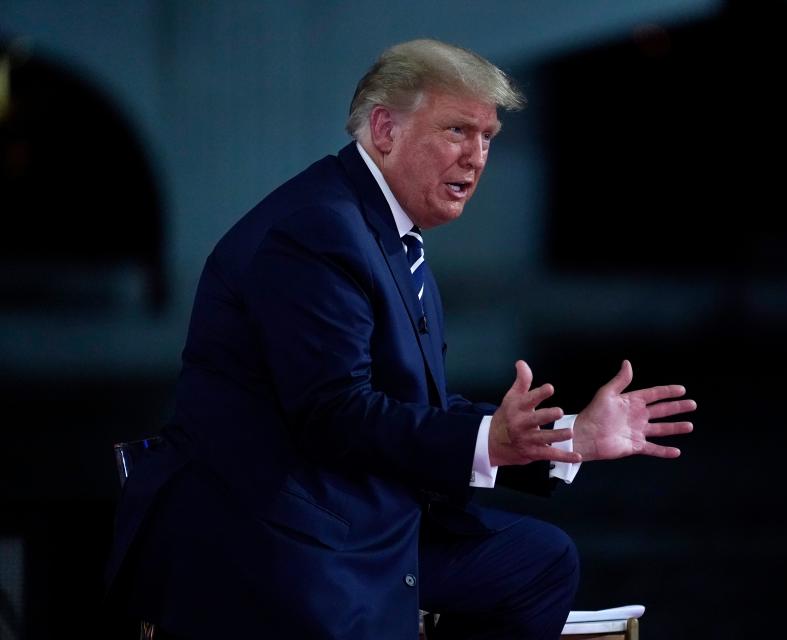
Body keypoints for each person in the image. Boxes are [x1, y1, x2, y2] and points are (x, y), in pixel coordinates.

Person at [106, 39, 696, 640]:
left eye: (488, 137)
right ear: (385, 129)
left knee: (536, 561)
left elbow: (413, 410)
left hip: (352, 512)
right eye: (457, 130)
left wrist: (572, 437)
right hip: (279, 533)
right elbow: (334, 414)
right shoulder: (317, 232)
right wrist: (491, 438)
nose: (476, 157)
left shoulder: (384, 232)